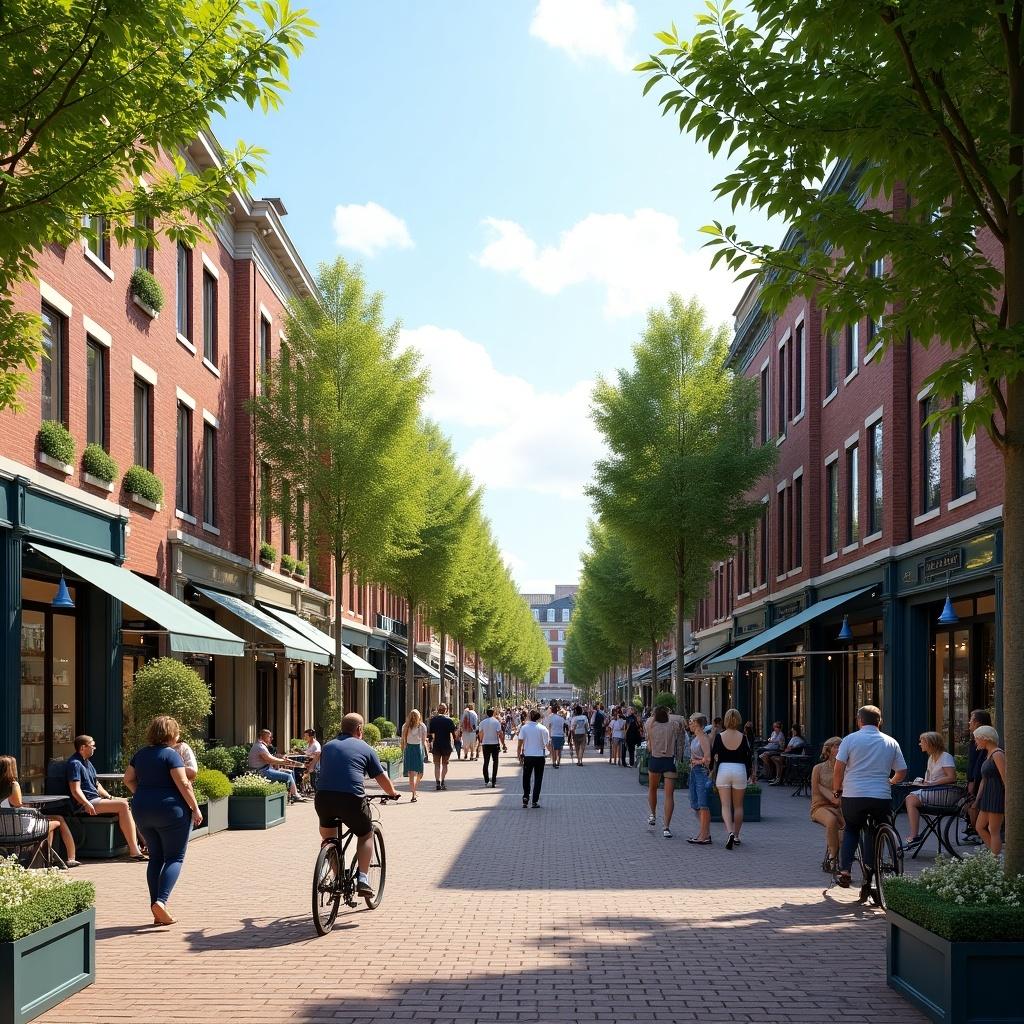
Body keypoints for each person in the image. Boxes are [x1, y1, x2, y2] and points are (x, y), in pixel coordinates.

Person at [124, 716, 204, 926]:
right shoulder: (172, 755)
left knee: (155, 858)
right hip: (171, 810)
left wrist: (141, 794)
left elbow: (128, 779)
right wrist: (195, 808)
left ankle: (156, 909)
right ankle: (161, 901)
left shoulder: (140, 754)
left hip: (142, 809)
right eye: (176, 732)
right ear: (171, 734)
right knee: (174, 858)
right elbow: (184, 783)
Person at [315, 713, 399, 897]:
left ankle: (337, 877)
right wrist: (392, 793)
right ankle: (362, 878)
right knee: (365, 832)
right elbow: (381, 778)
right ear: (360, 729)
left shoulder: (328, 746)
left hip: (323, 799)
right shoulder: (365, 748)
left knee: (329, 838)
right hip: (351, 799)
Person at [832, 705, 907, 893]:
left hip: (854, 794)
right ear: (880, 721)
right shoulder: (891, 742)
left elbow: (839, 768)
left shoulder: (850, 739)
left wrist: (837, 789)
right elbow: (902, 771)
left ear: (859, 720)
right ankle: (874, 866)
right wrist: (890, 782)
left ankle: (845, 870)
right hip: (880, 795)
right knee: (880, 827)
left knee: (851, 829)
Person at [66, 734, 146, 860]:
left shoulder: (87, 763)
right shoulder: (74, 764)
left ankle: (145, 844)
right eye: (92, 746)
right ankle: (134, 850)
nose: (95, 748)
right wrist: (86, 803)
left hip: (96, 800)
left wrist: (110, 797)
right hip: (85, 804)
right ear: (82, 747)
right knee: (123, 806)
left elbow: (96, 785)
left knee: (130, 801)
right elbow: (75, 790)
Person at [0, 755, 79, 867]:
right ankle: (48, 860)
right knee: (56, 822)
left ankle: (45, 858)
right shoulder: (13, 785)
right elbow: (17, 804)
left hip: (2, 830)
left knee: (49, 822)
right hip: (19, 830)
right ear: (11, 769)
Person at [903, 731, 958, 848]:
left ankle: (914, 835)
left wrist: (932, 783)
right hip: (934, 791)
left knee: (910, 799)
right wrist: (924, 782)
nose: (920, 744)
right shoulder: (931, 758)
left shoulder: (945, 757)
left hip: (944, 793)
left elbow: (952, 777)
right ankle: (914, 835)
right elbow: (931, 779)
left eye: (922, 741)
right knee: (910, 798)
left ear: (931, 743)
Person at [711, 708, 754, 849]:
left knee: (725, 805)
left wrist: (711, 769)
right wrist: (750, 774)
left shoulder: (719, 737)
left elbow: (713, 756)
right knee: (739, 806)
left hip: (724, 769)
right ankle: (736, 835)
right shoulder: (743, 737)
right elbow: (748, 758)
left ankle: (729, 831)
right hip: (739, 770)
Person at [645, 706, 684, 838]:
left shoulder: (650, 725)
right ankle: (666, 827)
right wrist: (669, 713)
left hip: (655, 759)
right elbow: (681, 719)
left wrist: (656, 714)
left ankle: (653, 814)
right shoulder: (673, 726)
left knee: (652, 788)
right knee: (669, 796)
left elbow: (649, 720)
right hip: (669, 761)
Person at [810, 737, 845, 870]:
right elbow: (816, 790)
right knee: (831, 820)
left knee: (849, 825)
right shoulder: (818, 769)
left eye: (841, 746)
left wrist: (838, 802)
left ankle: (843, 856)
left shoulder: (845, 768)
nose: (839, 749)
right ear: (828, 750)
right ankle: (832, 856)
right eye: (836, 746)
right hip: (820, 806)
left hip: (840, 805)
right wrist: (834, 800)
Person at [972, 725, 1006, 856]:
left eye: (977, 739)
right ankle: (994, 854)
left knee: (994, 829)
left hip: (997, 794)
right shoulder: (989, 754)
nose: (976, 742)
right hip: (988, 795)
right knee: (980, 827)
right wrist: (977, 800)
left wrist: (1007, 799)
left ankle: (995, 858)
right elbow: (984, 780)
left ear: (984, 738)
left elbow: (1005, 778)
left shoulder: (997, 754)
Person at [247, 729, 306, 803]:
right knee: (288, 776)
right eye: (269, 737)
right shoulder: (260, 747)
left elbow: (271, 758)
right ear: (263, 737)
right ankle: (296, 795)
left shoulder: (261, 745)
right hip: (262, 771)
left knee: (290, 772)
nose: (271, 739)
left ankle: (292, 794)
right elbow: (270, 760)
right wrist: (284, 761)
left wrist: (282, 759)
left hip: (266, 769)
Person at [965, 709, 992, 844]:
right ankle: (975, 829)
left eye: (972, 719)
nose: (969, 722)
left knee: (975, 804)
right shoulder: (974, 741)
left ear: (978, 722)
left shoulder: (984, 744)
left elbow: (978, 764)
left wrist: (972, 781)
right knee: (972, 804)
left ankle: (979, 832)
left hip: (979, 780)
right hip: (974, 779)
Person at [686, 713, 714, 844]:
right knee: (695, 803)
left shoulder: (703, 738)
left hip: (700, 772)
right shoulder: (696, 737)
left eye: (691, 722)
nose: (689, 724)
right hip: (694, 772)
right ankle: (705, 833)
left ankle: (704, 835)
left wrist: (697, 762)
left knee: (702, 804)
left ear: (697, 723)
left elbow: (708, 759)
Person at [517, 709, 550, 808]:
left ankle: (525, 797)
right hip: (539, 756)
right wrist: (550, 754)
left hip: (528, 756)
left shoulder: (524, 728)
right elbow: (547, 744)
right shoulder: (543, 728)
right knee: (538, 779)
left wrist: (518, 754)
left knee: (526, 777)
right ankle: (535, 801)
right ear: (539, 718)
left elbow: (520, 743)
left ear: (529, 717)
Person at [400, 709, 428, 802]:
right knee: (420, 772)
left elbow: (403, 740)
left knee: (411, 774)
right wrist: (426, 752)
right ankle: (414, 791)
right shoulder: (422, 726)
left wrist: (402, 750)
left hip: (409, 749)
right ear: (419, 716)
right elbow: (424, 741)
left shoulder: (405, 726)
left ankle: (413, 793)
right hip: (418, 749)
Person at [428, 704, 457, 791]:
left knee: (437, 764)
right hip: (446, 745)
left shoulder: (433, 720)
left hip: (437, 744)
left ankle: (437, 782)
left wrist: (430, 743)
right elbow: (453, 734)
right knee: (445, 764)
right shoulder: (449, 720)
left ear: (438, 709)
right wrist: (455, 742)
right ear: (446, 710)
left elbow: (430, 734)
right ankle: (443, 781)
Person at [478, 707, 504, 787]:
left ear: (486, 713)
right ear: (493, 713)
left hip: (486, 744)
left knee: (486, 762)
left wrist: (481, 741)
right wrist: (503, 744)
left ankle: (486, 780)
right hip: (495, 744)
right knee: (495, 762)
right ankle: (493, 780)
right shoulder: (496, 722)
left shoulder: (482, 722)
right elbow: (500, 734)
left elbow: (480, 733)